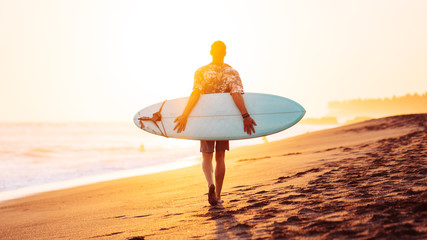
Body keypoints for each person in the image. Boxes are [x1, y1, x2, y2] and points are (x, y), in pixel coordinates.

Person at [173, 41, 257, 206]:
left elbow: (196, 93)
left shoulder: (201, 71)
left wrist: (184, 115)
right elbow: (236, 94)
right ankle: (218, 195)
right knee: (220, 157)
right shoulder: (231, 72)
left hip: (206, 118)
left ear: (211, 52)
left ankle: (210, 184)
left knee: (206, 156)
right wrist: (245, 115)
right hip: (223, 119)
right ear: (225, 53)